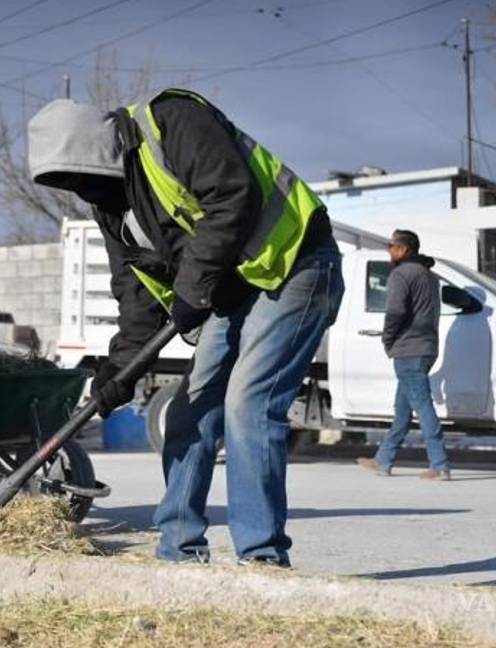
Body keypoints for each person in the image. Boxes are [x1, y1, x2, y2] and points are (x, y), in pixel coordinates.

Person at [27, 88, 343, 567]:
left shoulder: (170, 121)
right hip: (233, 286)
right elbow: (134, 293)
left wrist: (193, 288)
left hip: (297, 261)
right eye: (65, 182)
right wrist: (119, 370)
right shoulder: (111, 207)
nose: (78, 188)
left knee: (248, 403)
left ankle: (262, 559)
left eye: (77, 175)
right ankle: (178, 551)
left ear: (95, 150)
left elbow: (231, 194)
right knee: (188, 411)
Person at [356, 230, 450, 480]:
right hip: (426, 347)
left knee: (423, 406)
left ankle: (440, 464)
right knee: (402, 411)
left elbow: (395, 312)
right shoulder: (429, 276)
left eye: (391, 246)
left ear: (403, 250)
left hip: (409, 350)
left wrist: (388, 340)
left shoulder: (401, 274)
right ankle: (383, 460)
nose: (389, 250)